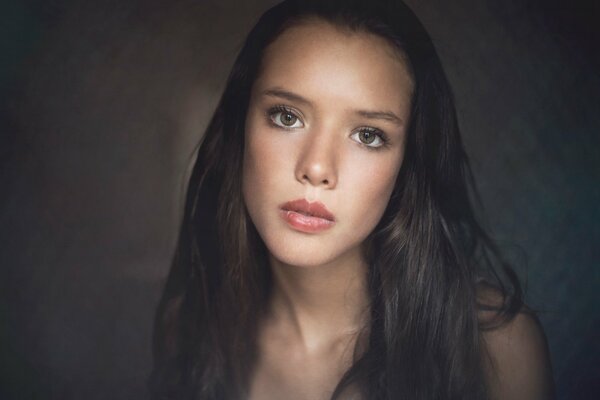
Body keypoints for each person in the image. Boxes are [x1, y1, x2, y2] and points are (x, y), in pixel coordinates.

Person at [150, 1, 555, 399]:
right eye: (287, 116)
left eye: (368, 135)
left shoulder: (496, 348)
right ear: (240, 126)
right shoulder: (188, 330)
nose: (317, 167)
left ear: (406, 164)